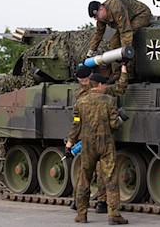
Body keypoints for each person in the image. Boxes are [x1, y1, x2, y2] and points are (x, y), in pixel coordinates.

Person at [66, 73, 128, 225]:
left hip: (87, 145)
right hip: (106, 144)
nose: (106, 87)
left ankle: (81, 214)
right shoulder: (109, 101)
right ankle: (113, 215)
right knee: (111, 178)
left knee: (84, 178)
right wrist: (119, 119)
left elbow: (76, 126)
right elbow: (114, 125)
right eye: (104, 84)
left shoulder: (80, 102)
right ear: (99, 85)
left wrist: (69, 144)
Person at [87, 0, 152, 78]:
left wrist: (125, 52)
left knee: (124, 43)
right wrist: (91, 51)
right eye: (94, 18)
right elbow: (99, 33)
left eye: (96, 16)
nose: (96, 19)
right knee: (114, 43)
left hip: (141, 15)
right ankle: (117, 74)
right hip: (128, 19)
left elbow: (126, 31)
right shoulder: (101, 18)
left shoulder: (116, 8)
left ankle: (128, 74)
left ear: (101, 9)